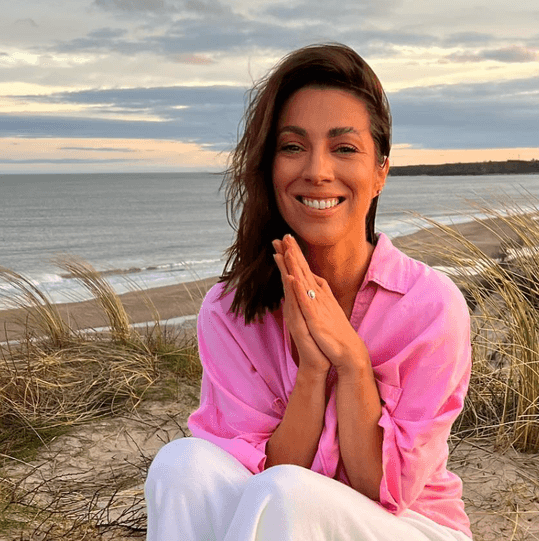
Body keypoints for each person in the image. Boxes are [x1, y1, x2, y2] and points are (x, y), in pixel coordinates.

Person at [144, 43, 473, 541]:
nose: (317, 171)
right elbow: (257, 476)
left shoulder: (430, 306)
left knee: (289, 495)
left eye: (344, 149)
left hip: (408, 525)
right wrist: (313, 373)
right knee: (181, 466)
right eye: (293, 147)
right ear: (269, 167)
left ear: (380, 171)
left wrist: (352, 362)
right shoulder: (230, 312)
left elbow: (383, 488)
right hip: (282, 511)